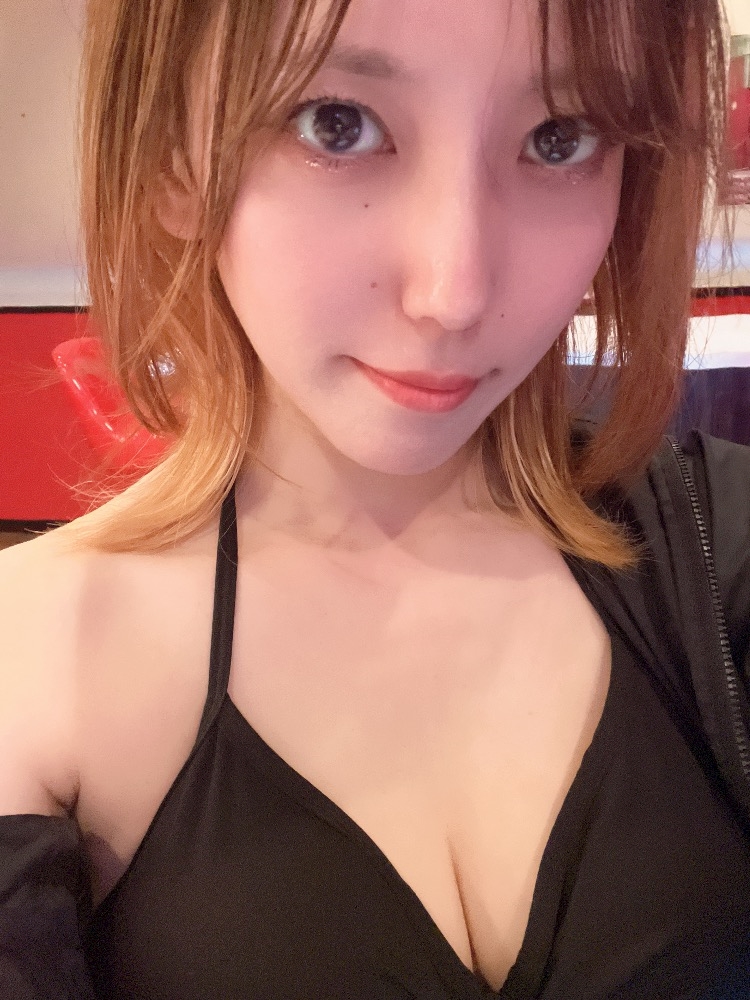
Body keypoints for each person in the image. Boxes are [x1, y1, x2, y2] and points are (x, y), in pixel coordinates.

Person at [1, 0, 749, 996]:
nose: (454, 291)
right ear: (174, 161)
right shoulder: (31, 664)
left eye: (560, 139)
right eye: (337, 124)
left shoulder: (714, 542)